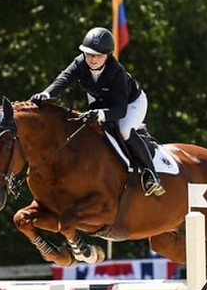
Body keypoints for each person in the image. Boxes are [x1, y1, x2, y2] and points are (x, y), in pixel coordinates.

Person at [31, 27, 165, 197]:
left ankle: (152, 174)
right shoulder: (80, 63)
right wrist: (46, 93)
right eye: (89, 54)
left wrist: (101, 114)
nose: (93, 59)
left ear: (107, 55)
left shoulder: (117, 72)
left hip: (131, 104)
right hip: (101, 100)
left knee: (123, 129)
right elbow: (63, 80)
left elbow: (120, 110)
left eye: (98, 55)